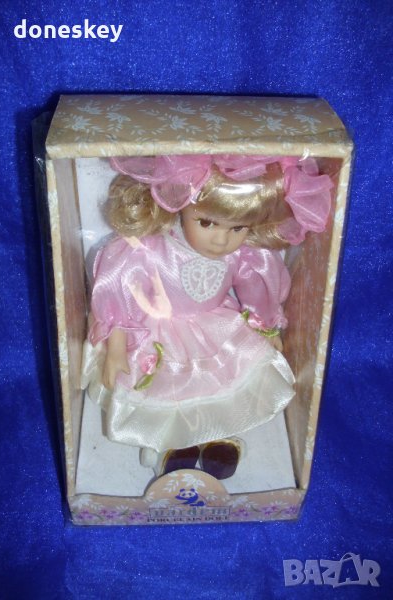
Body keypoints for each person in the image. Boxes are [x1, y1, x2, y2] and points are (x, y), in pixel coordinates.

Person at [81, 154, 333, 479]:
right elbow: (120, 290)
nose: (221, 239)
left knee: (221, 385)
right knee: (167, 390)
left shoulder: (244, 255)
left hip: (217, 326)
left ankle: (217, 438)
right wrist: (116, 346)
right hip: (160, 331)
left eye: (238, 228)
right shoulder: (150, 249)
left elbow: (256, 289)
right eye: (206, 223)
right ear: (179, 207)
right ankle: (169, 446)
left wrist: (267, 327)